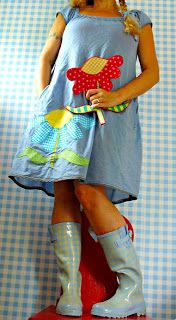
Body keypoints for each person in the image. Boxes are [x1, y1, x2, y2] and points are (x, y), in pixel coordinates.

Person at [8, 0, 159, 318]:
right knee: (63, 190)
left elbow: (152, 73)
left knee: (89, 192)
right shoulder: (69, 14)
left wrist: (116, 96)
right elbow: (46, 58)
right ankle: (71, 292)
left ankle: (131, 289)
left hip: (109, 114)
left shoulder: (136, 21)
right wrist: (44, 104)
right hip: (63, 111)